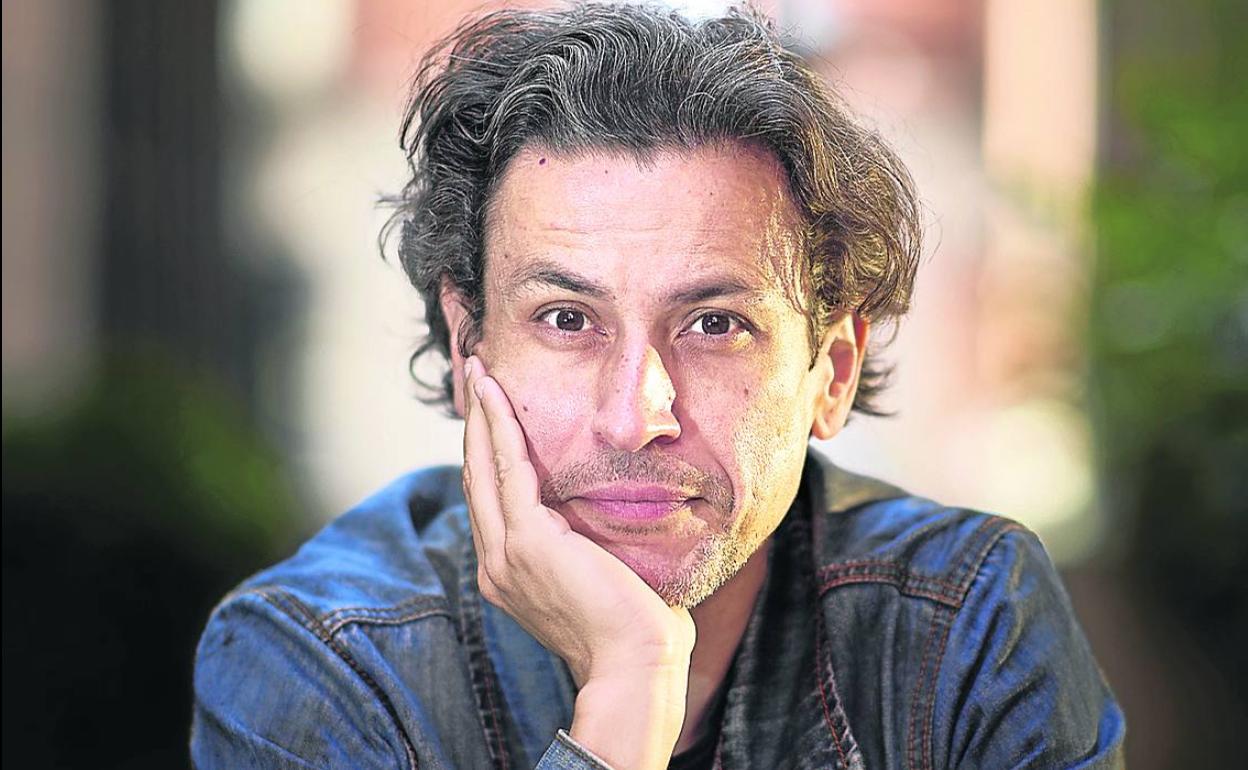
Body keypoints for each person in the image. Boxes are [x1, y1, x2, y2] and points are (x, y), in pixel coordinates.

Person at [191, 4, 1125, 768]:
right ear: (469, 345)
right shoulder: (319, 659)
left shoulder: (967, 624)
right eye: (567, 320)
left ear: (831, 373)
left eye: (714, 325)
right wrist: (625, 698)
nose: (636, 414)